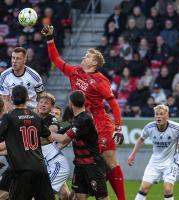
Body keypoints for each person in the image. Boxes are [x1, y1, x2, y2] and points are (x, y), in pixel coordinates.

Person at [41, 25, 126, 200]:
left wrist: (118, 127)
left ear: (94, 62)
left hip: (100, 123)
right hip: (80, 121)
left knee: (109, 161)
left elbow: (114, 105)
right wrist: (50, 38)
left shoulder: (101, 81)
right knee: (85, 161)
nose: (83, 57)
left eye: (87, 56)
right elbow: (55, 59)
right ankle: (81, 192)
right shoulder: (75, 72)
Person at [51, 90, 109, 200]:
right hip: (80, 166)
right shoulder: (78, 120)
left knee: (102, 198)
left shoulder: (84, 119)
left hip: (93, 165)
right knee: (79, 197)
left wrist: (48, 134)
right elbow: (62, 133)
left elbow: (63, 139)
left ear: (70, 103)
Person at [128, 104, 179, 200]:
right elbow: (141, 139)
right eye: (157, 114)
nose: (158, 116)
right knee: (143, 188)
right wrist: (132, 155)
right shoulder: (149, 127)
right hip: (155, 162)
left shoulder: (176, 127)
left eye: (161, 114)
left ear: (167, 116)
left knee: (167, 189)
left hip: (171, 162)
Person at [36, 93, 71, 200]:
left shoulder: (53, 121)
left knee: (45, 193)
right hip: (40, 162)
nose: (43, 105)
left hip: (51, 162)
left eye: (46, 103)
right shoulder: (32, 116)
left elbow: (53, 131)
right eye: (41, 102)